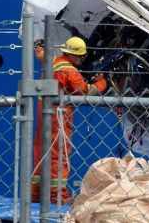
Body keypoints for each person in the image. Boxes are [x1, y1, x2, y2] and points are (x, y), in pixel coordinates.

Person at [31, 36, 108, 203]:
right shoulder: (69, 71)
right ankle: (57, 196)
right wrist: (102, 82)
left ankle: (36, 194)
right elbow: (86, 91)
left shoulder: (54, 63)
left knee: (41, 152)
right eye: (81, 56)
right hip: (58, 115)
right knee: (59, 154)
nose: (82, 59)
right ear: (73, 55)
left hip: (44, 111)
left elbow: (44, 58)